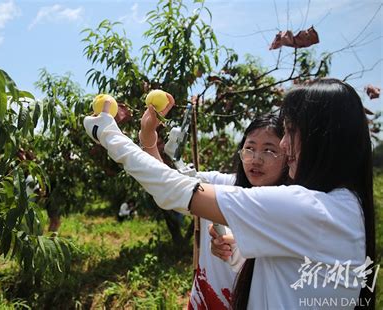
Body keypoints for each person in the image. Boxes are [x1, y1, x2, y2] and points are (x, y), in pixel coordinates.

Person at [83, 78, 375, 309]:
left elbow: (175, 190)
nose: (285, 146)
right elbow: (285, 283)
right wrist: (238, 254)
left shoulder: (310, 208)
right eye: (250, 147)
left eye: (289, 133)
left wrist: (107, 134)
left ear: (322, 140)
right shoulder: (344, 206)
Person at [141, 104, 288, 308]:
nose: (256, 159)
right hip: (204, 301)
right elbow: (165, 183)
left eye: (269, 151)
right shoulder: (219, 185)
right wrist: (148, 137)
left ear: (288, 155)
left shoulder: (292, 208)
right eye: (250, 148)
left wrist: (246, 245)